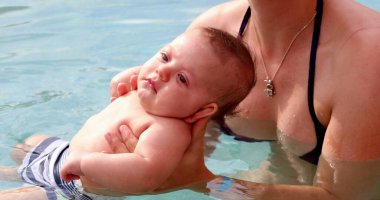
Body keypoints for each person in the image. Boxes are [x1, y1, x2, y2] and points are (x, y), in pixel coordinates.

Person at [108, 0, 380, 199]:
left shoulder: (365, 56)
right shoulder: (213, 35)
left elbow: (347, 197)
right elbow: (189, 145)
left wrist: (208, 183)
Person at [0, 27, 255, 200]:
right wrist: (127, 76)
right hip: (62, 155)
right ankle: (13, 173)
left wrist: (86, 164)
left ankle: (23, 181)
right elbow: (144, 72)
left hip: (74, 185)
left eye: (182, 78)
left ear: (204, 109)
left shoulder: (169, 131)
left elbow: (145, 173)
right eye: (165, 57)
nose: (162, 72)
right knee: (29, 144)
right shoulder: (152, 88)